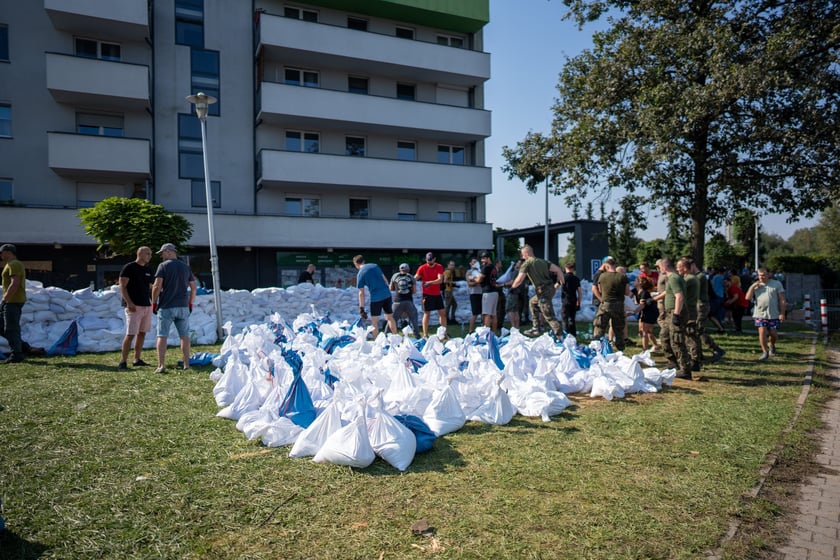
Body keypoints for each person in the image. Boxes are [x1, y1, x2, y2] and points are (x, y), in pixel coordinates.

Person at [151, 243, 196, 374]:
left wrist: (154, 303)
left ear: (169, 251)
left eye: (162, 253)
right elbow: (193, 287)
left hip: (166, 306)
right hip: (183, 306)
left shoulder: (163, 266)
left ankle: (161, 365)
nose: (161, 256)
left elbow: (156, 286)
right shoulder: (186, 267)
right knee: (184, 336)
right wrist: (190, 303)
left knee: (162, 335)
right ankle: (187, 365)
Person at [510, 245, 565, 340]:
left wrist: (512, 287)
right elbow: (558, 270)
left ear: (526, 254)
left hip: (542, 291)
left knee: (548, 315)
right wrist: (561, 283)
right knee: (532, 302)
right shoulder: (543, 261)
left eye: (522, 255)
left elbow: (519, 280)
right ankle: (536, 327)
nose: (522, 257)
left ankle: (560, 336)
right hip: (550, 289)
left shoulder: (527, 264)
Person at [117, 246, 153, 370]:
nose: (150, 256)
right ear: (140, 254)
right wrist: (129, 302)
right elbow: (122, 286)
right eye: (147, 253)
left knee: (142, 333)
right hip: (134, 306)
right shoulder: (129, 268)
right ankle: (123, 361)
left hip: (146, 306)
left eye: (150, 254)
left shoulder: (148, 270)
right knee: (131, 333)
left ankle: (137, 359)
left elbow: (150, 287)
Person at [659, 258, 692, 379]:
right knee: (664, 337)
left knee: (676, 341)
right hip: (670, 313)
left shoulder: (673, 278)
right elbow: (668, 293)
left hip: (676, 311)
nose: (659, 269)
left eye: (660, 267)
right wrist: (652, 300)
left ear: (665, 267)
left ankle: (685, 370)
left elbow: (679, 297)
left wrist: (677, 314)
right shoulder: (673, 278)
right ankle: (672, 362)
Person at [745, 267, 787, 360]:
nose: (761, 277)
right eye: (759, 275)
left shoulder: (776, 284)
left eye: (763, 275)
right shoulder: (755, 285)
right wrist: (753, 286)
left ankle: (772, 345)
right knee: (762, 332)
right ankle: (765, 351)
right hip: (760, 313)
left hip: (773, 313)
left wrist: (782, 313)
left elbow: (782, 300)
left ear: (768, 274)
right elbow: (747, 298)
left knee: (773, 334)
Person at [592, 256, 631, 351]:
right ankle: (620, 349)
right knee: (618, 329)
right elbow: (627, 292)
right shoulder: (622, 277)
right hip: (619, 305)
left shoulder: (602, 276)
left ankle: (597, 348)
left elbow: (599, 290)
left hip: (606, 304)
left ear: (607, 265)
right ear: (615, 265)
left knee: (600, 327)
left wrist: (602, 298)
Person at [353, 255, 397, 338]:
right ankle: (396, 338)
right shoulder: (375, 266)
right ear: (363, 261)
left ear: (356, 264)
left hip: (376, 298)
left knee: (374, 321)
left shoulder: (360, 274)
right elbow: (385, 280)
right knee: (390, 317)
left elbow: (361, 293)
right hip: (387, 295)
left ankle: (377, 342)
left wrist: (361, 308)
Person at [0, 243, 26, 363]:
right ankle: (24, 347)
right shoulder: (11, 264)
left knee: (11, 328)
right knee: (5, 327)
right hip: (12, 300)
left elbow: (14, 284)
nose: (1, 255)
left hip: (13, 301)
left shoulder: (14, 264)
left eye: (2, 252)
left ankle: (17, 354)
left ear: (8, 252)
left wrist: (5, 299)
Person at [414, 252, 446, 338]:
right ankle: (425, 334)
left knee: (442, 313)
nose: (429, 262)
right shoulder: (422, 268)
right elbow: (415, 278)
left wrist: (430, 283)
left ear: (434, 259)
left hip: (437, 294)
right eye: (428, 260)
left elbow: (440, 280)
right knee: (427, 313)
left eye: (431, 260)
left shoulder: (439, 267)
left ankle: (444, 333)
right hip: (427, 294)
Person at [390, 263, 419, 336]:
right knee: (414, 318)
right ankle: (417, 335)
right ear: (408, 270)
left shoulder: (394, 276)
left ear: (400, 269)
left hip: (397, 301)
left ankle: (387, 334)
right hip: (408, 301)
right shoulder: (411, 277)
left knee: (392, 319)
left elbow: (391, 288)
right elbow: (414, 291)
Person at [633, 276, 659, 351]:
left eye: (635, 280)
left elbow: (642, 306)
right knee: (646, 331)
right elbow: (629, 295)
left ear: (640, 283)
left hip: (650, 312)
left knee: (644, 331)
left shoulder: (644, 293)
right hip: (644, 312)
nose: (634, 282)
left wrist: (633, 312)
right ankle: (656, 346)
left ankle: (645, 351)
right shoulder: (636, 290)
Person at [476, 251, 499, 331]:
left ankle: (486, 334)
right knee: (494, 314)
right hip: (495, 292)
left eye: (483, 259)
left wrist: (474, 279)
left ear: (488, 258)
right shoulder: (494, 267)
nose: (482, 261)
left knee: (487, 314)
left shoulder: (486, 267)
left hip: (488, 292)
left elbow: (479, 280)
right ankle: (494, 333)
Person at [503, 259, 527, 330]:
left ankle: (513, 327)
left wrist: (502, 284)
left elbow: (512, 282)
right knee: (516, 311)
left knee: (510, 310)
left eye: (518, 263)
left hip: (512, 292)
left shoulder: (515, 272)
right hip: (518, 293)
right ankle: (517, 327)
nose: (516, 264)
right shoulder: (522, 273)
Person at [560, 261, 582, 337]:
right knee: (572, 319)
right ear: (573, 269)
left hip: (565, 300)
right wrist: (579, 301)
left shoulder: (563, 277)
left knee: (564, 319)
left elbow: (556, 286)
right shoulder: (576, 278)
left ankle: (565, 335)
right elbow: (579, 291)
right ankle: (573, 335)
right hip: (573, 300)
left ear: (566, 268)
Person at [465, 257, 483, 332]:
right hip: (473, 293)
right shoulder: (469, 272)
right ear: (470, 263)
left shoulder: (480, 271)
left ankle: (483, 328)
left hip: (481, 293)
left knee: (483, 312)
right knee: (475, 313)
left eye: (476, 262)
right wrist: (477, 282)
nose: (474, 263)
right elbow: (469, 283)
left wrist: (475, 281)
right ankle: (471, 330)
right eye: (473, 262)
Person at [443, 260, 457, 325]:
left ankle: (452, 318)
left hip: (450, 290)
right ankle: (446, 319)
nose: (453, 266)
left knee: (454, 304)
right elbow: (445, 281)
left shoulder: (450, 272)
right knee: (447, 306)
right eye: (451, 265)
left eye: (453, 265)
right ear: (448, 265)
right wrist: (452, 282)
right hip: (447, 291)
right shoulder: (447, 272)